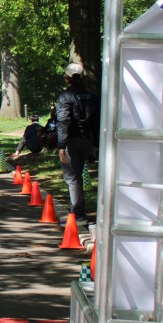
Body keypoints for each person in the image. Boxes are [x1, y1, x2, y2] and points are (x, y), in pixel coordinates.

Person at [57, 63, 99, 225]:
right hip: (86, 140)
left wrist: (61, 146)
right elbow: (96, 121)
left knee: (72, 178)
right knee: (78, 176)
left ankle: (77, 214)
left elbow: (63, 121)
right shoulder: (91, 95)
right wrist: (95, 144)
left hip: (71, 141)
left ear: (67, 78)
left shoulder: (65, 97)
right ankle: (79, 212)